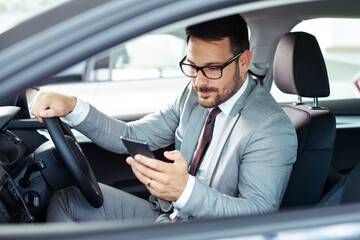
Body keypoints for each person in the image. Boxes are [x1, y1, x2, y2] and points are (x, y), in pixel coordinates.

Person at [30, 14, 297, 223]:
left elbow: (258, 215)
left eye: (213, 68)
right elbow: (131, 136)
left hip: (210, 231)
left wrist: (185, 192)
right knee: (68, 200)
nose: (200, 81)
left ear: (243, 61)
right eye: (192, 66)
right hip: (166, 216)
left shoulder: (270, 127)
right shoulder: (192, 97)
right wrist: (73, 107)